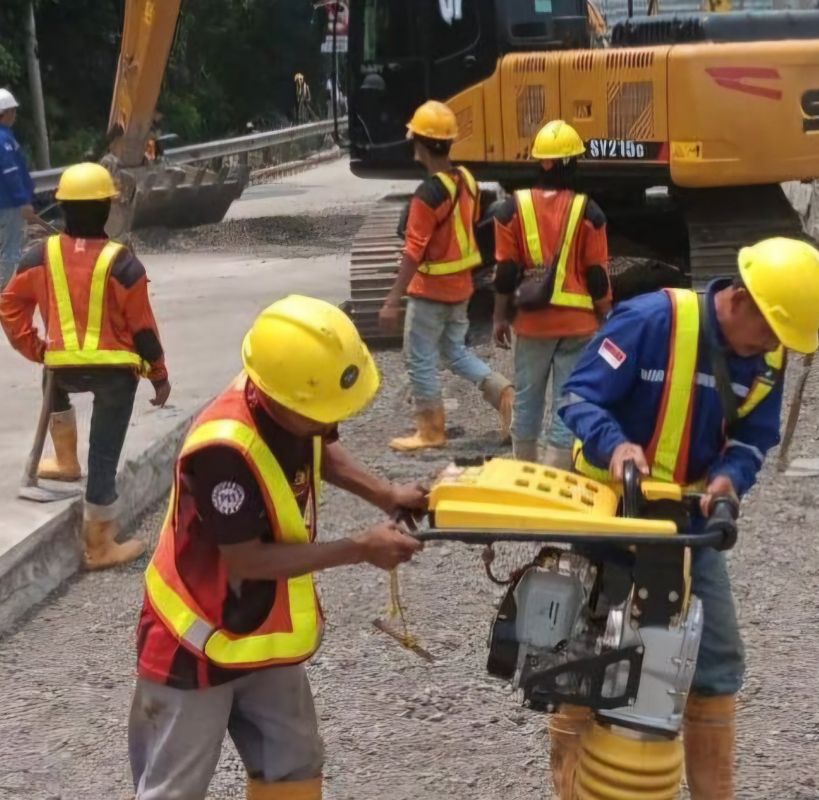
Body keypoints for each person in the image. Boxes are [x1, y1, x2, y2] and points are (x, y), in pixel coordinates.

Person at [555, 238, 819, 799]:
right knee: (585, 655)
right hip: (608, 511)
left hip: (686, 522)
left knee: (717, 660)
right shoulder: (651, 321)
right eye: (773, 332)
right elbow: (578, 397)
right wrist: (617, 447)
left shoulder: (769, 356)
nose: (775, 347)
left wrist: (730, 479)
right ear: (743, 300)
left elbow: (755, 438)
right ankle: (572, 784)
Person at [129, 295, 427, 800]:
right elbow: (246, 560)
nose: (328, 423)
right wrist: (360, 547)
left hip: (260, 631)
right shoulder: (224, 450)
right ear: (280, 400)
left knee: (294, 762)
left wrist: (386, 493)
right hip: (194, 639)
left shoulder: (290, 392)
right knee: (173, 787)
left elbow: (319, 443)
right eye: (318, 414)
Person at [0, 163, 170, 568]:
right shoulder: (123, 263)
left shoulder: (40, 255)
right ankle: (98, 546)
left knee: (51, 376)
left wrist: (35, 348)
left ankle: (63, 460)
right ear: (108, 209)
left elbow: (9, 305)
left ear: (62, 209)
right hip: (115, 372)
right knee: (104, 456)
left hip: (62, 368)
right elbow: (142, 329)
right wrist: (159, 376)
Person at [379, 100, 513, 450]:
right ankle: (504, 394)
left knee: (418, 356)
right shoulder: (467, 180)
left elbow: (413, 251)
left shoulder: (428, 195)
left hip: (431, 292)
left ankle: (430, 431)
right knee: (454, 352)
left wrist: (393, 300)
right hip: (461, 289)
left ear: (420, 144)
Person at [492, 120, 611, 468]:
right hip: (578, 325)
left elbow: (506, 272)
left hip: (532, 324)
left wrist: (500, 316)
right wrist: (606, 316)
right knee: (568, 398)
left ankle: (524, 468)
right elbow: (597, 276)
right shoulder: (589, 211)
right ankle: (558, 468)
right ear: (570, 164)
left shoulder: (511, 210)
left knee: (528, 397)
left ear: (540, 162)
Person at [0, 88, 37, 288]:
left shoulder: (5, 136)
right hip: (9, 204)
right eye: (13, 111)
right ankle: (5, 292)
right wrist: (23, 200)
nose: (15, 115)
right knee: (11, 250)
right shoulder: (3, 139)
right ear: (4, 113)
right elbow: (11, 172)